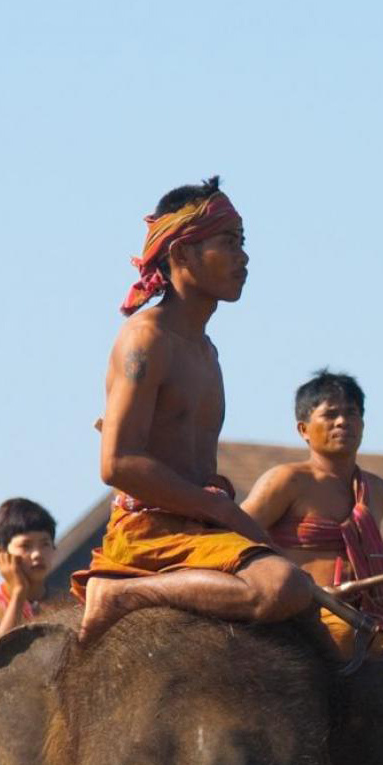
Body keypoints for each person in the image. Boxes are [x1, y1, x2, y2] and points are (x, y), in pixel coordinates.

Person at [71, 178, 323, 648]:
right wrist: (216, 505)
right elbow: (116, 463)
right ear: (182, 254)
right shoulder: (146, 340)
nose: (243, 257)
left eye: (243, 243)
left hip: (199, 527)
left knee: (320, 611)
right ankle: (120, 595)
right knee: (280, 588)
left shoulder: (207, 351)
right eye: (229, 243)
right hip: (149, 531)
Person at [241, 370, 383, 639]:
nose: (343, 422)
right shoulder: (288, 480)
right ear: (303, 429)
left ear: (363, 424)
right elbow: (236, 537)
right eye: (330, 414)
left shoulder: (378, 491)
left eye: (352, 413)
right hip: (299, 617)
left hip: (368, 617)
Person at [0, 497, 58, 652]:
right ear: (1, 554)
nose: (37, 554)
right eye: (25, 545)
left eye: (45, 544)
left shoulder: (66, 600)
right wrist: (19, 593)